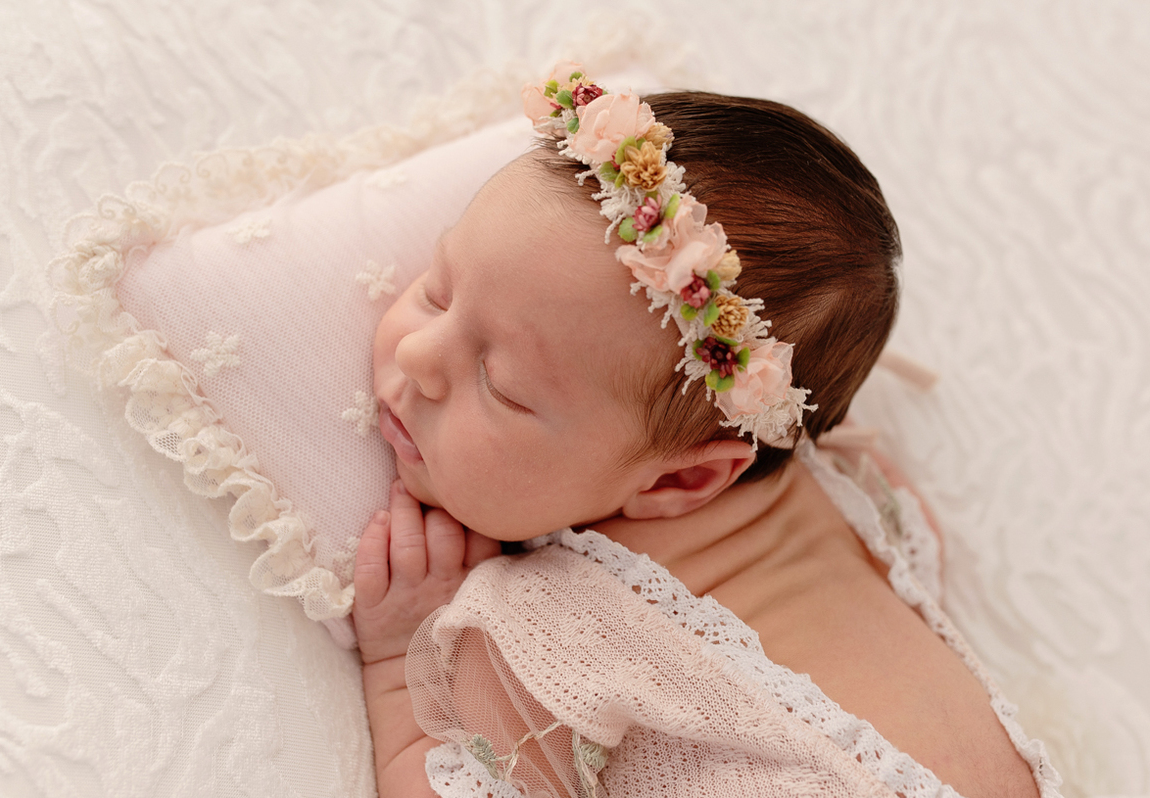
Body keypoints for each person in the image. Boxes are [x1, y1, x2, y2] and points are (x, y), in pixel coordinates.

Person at [351, 63, 1059, 798]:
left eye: (503, 387)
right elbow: (920, 547)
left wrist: (401, 664)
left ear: (685, 478)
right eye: (438, 292)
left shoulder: (557, 633)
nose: (417, 355)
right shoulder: (857, 499)